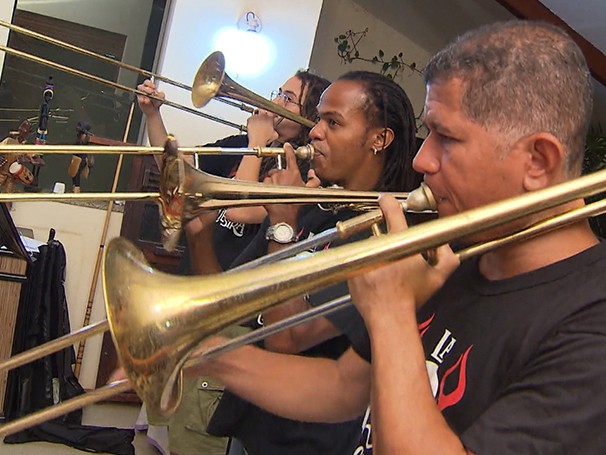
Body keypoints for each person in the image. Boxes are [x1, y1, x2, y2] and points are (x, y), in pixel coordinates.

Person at [187, 20, 606, 455]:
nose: (422, 160)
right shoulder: (458, 256)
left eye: (447, 137)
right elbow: (339, 387)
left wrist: (389, 311)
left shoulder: (591, 325)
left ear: (538, 161)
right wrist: (198, 351)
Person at [199, 70, 421, 455]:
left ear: (379, 140)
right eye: (318, 119)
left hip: (304, 442)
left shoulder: (382, 235)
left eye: (332, 122)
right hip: (252, 423)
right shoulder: (313, 207)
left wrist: (283, 226)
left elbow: (287, 338)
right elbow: (223, 298)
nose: (315, 132)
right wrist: (198, 230)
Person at [136, 70, 331, 455]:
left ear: (309, 113)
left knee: (197, 436)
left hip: (233, 320)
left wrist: (257, 145)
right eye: (280, 93)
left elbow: (241, 210)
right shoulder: (240, 142)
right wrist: (152, 115)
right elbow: (175, 169)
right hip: (194, 295)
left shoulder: (305, 174)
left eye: (288, 99)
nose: (274, 102)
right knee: (160, 435)